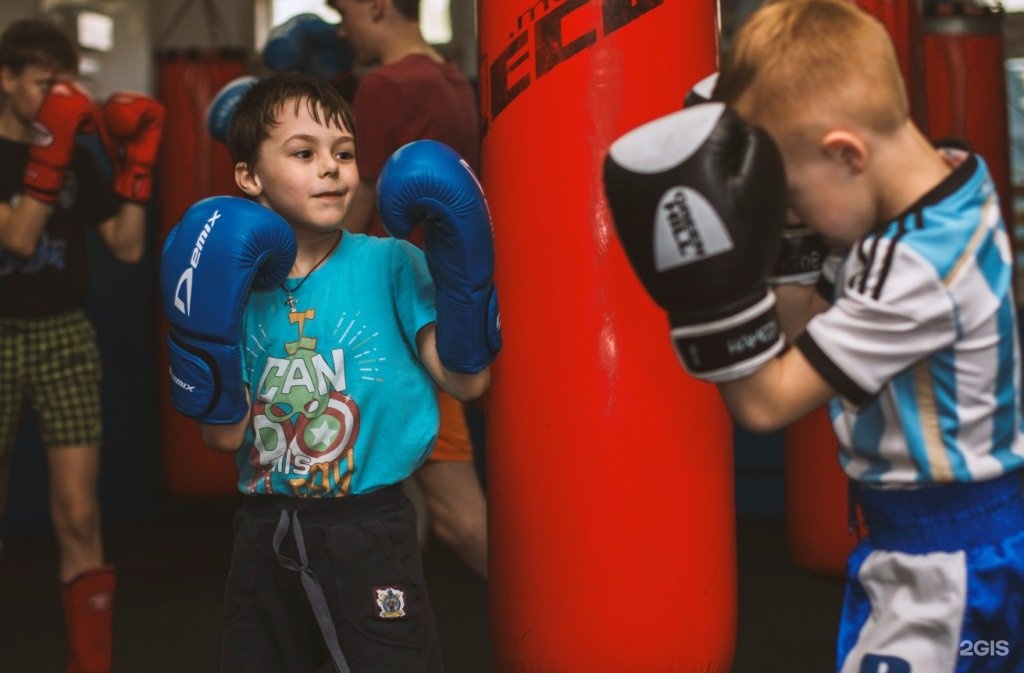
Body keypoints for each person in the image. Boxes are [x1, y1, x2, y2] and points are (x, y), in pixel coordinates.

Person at [603, 1, 1024, 672]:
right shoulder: (941, 183)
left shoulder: (913, 271)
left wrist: (704, 286)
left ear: (845, 153)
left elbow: (764, 402)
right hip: (927, 540)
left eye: (790, 196)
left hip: (949, 562)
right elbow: (799, 327)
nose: (787, 212)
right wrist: (794, 233)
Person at [159, 73, 498, 673]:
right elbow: (222, 438)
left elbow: (467, 382)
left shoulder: (392, 263)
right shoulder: (227, 282)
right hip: (264, 531)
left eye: (343, 152)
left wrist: (464, 275)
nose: (332, 168)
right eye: (304, 153)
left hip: (368, 528)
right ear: (248, 177)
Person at [0, 18, 162, 673]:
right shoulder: (48, 143)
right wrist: (51, 146)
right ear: (5, 79)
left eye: (63, 86)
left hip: (65, 330)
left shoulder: (69, 146)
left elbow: (126, 245)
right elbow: (18, 238)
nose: (55, 98)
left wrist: (139, 160)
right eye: (42, 84)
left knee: (79, 513)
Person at [326, 0, 490, 579]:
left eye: (344, 12)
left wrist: (307, 280)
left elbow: (360, 203)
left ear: (376, 7)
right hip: (448, 292)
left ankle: (562, 633)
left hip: (393, 315)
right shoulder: (454, 80)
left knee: (457, 514)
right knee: (387, 494)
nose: (341, 29)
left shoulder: (385, 86)